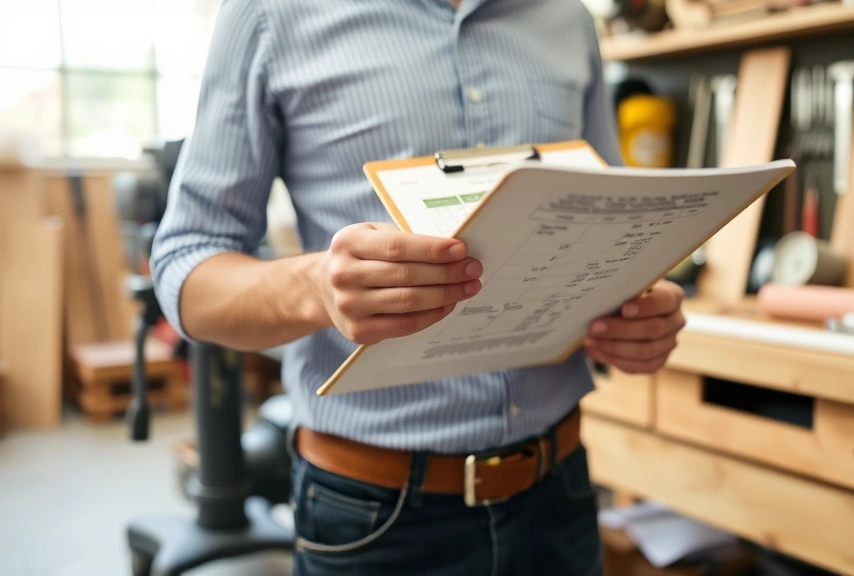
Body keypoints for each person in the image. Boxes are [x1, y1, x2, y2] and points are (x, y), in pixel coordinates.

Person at [151, 0, 686, 574]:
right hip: (375, 517)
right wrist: (316, 285)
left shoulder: (567, 18)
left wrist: (637, 311)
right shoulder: (269, 13)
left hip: (561, 497)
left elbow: (609, 224)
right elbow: (187, 268)